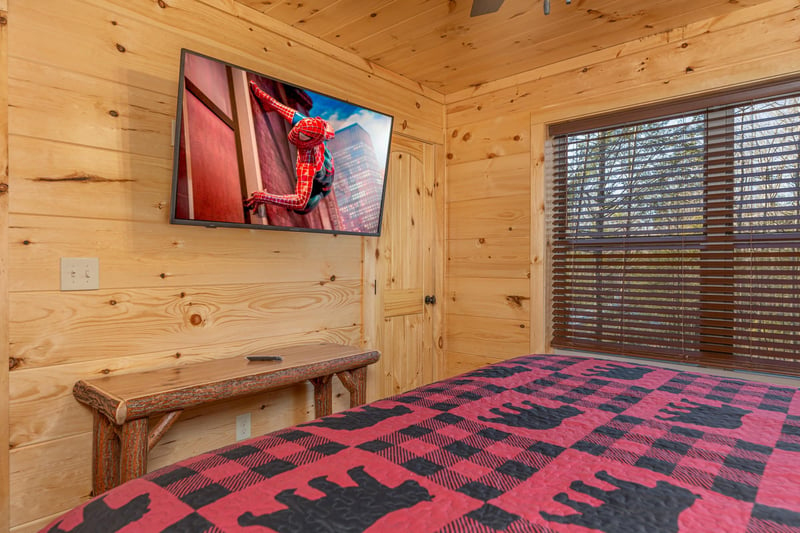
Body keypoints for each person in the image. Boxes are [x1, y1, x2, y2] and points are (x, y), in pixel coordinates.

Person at [244, 81, 335, 215]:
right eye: (299, 126)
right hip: (324, 154)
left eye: (302, 135)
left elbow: (300, 202)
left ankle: (320, 194)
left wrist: (265, 197)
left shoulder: (308, 164)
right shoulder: (315, 129)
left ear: (309, 142)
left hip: (323, 187)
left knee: (303, 208)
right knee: (304, 122)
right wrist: (264, 97)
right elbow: (289, 113)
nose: (295, 132)